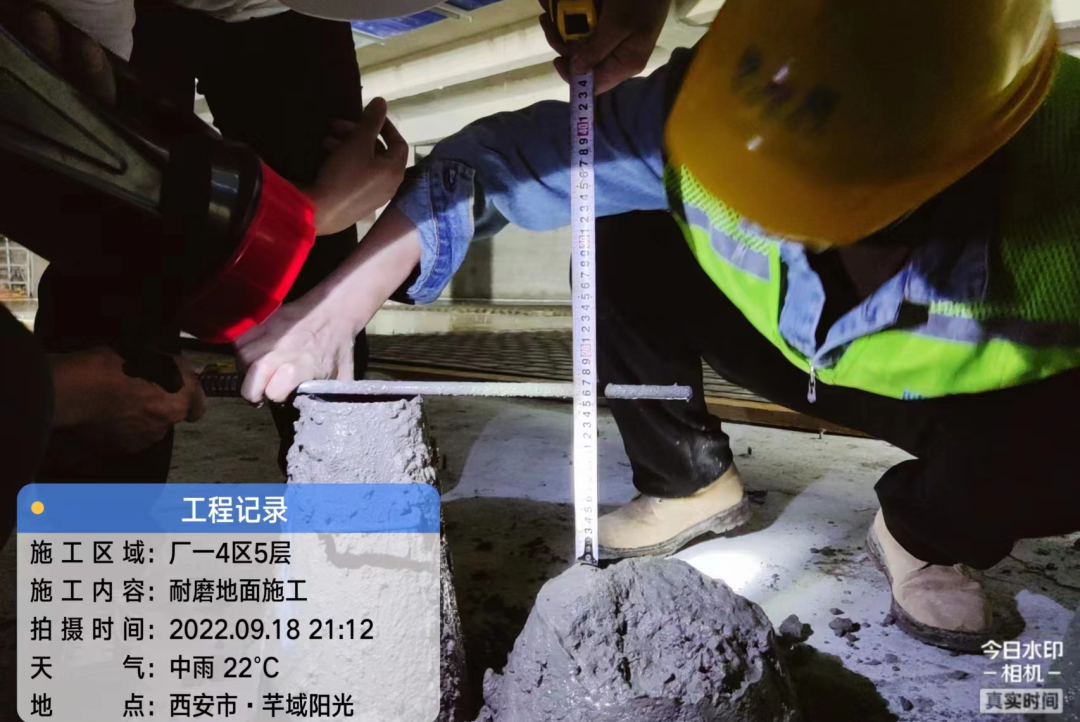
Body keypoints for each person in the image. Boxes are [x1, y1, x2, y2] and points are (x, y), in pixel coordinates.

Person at [237, 0, 1080, 653]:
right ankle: (688, 482)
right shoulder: (710, 104)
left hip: (976, 406)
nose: (768, 227)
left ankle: (922, 533)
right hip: (782, 349)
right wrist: (338, 301)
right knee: (618, 219)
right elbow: (495, 164)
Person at [27, 0, 413, 479]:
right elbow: (104, 194)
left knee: (320, 266)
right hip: (130, 15)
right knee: (112, 290)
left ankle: (340, 485)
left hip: (283, 18)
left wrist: (317, 217)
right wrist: (310, 213)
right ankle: (94, 512)